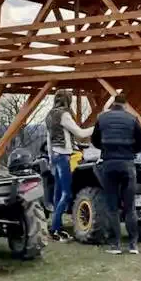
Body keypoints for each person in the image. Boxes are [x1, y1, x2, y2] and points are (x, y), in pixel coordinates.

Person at [91, 93, 141, 255]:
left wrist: (106, 150)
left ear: (113, 103)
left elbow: (95, 140)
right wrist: (130, 151)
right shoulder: (132, 119)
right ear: (125, 104)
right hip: (127, 165)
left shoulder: (102, 118)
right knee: (130, 207)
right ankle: (132, 245)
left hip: (109, 164)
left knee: (112, 207)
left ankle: (115, 245)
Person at [45, 90, 94, 241]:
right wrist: (97, 127)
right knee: (66, 194)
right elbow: (80, 133)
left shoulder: (50, 115)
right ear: (68, 100)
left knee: (58, 194)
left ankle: (57, 228)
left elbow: (48, 139)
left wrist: (51, 158)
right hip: (64, 156)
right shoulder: (64, 115)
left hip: (54, 155)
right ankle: (54, 230)